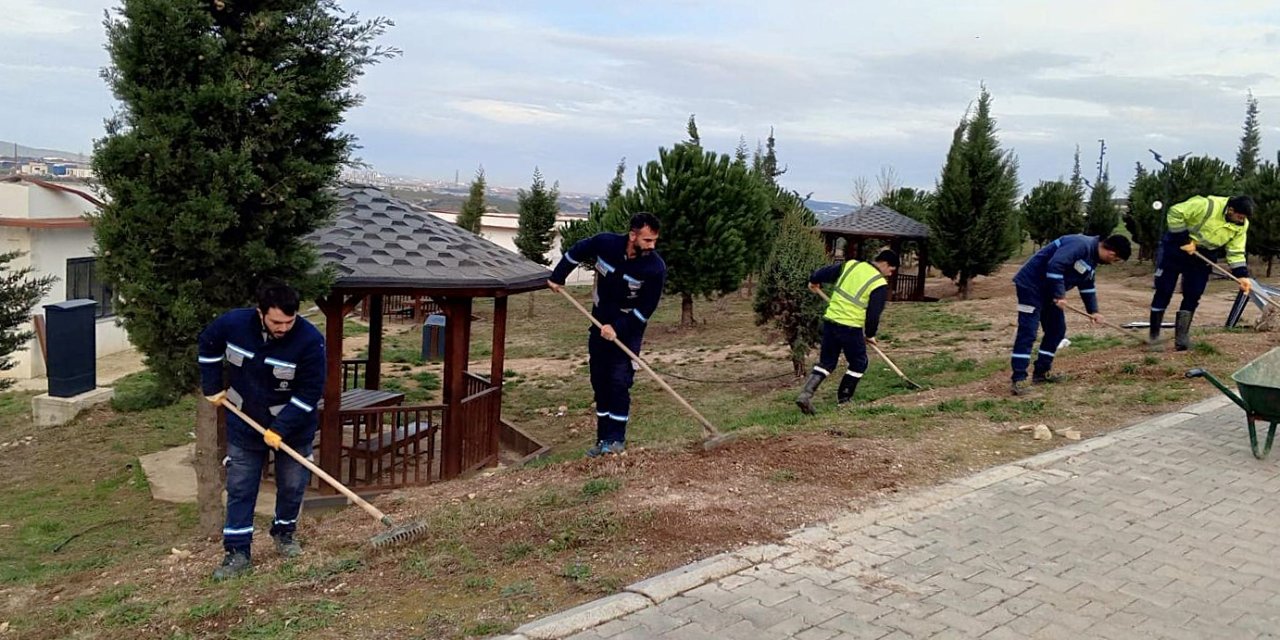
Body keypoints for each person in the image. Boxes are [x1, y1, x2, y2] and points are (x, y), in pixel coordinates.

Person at [199, 279, 325, 580]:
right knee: (241, 487)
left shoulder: (310, 341)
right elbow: (208, 344)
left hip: (293, 429)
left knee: (292, 485)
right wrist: (212, 386)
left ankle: (284, 533)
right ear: (261, 313)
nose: (283, 328)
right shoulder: (233, 324)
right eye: (276, 322)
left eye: (289, 321)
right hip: (245, 422)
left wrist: (280, 428)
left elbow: (309, 393)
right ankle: (237, 552)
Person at [547, 213, 666, 457]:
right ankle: (602, 440)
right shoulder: (605, 244)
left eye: (654, 240)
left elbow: (645, 310)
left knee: (619, 382)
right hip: (598, 323)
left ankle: (616, 440)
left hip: (628, 330)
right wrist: (558, 277)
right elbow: (576, 252)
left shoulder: (655, 268)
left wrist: (617, 329)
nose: (652, 246)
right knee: (599, 381)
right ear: (632, 235)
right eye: (647, 240)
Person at [1009, 234, 1131, 396]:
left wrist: (1094, 311)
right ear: (1112, 253)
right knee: (1028, 331)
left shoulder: (1092, 259)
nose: (1112, 263)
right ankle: (1019, 378)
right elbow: (1055, 265)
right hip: (1031, 286)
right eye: (1115, 260)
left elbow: (1087, 286)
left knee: (1056, 330)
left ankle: (1041, 372)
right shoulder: (1080, 245)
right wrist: (1060, 294)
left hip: (1049, 292)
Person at [796, 249, 899, 414]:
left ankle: (806, 395)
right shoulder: (878, 283)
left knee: (827, 362)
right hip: (850, 328)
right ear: (885, 264)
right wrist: (870, 334)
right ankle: (844, 399)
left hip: (831, 322)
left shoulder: (851, 265)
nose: (890, 274)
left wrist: (814, 281)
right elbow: (873, 314)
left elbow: (821, 273)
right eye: (891, 270)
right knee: (859, 363)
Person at [1148, 195, 1253, 350]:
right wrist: (1183, 240)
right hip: (1176, 247)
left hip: (1203, 254)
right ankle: (1154, 336)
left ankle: (1181, 339)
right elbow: (1175, 212)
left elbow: (1235, 251)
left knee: (1194, 293)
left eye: (1243, 218)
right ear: (1230, 210)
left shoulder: (1242, 225)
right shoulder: (1206, 205)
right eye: (1239, 216)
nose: (1241, 220)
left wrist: (1242, 275)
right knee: (1164, 289)